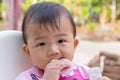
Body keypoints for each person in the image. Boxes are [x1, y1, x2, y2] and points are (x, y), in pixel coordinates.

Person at [16, 2, 111, 80]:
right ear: (28, 51)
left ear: (74, 45)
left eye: (61, 41)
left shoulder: (84, 71)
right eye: (41, 44)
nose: (53, 51)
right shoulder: (27, 77)